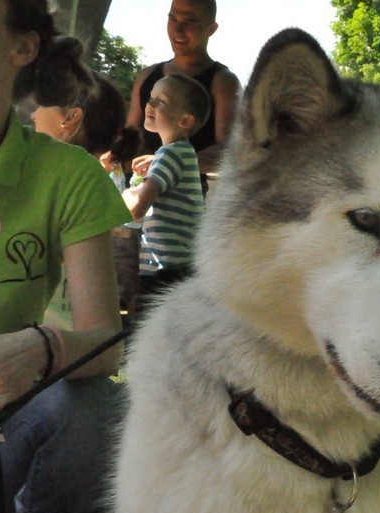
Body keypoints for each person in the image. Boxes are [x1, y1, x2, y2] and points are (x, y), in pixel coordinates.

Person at [0, 3, 129, 513]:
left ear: (22, 48)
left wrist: (41, 346)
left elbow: (106, 345)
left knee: (93, 409)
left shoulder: (65, 173)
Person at [23, 48, 141, 327]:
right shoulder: (95, 180)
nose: (32, 116)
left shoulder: (60, 181)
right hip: (72, 342)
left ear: (70, 118)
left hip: (50, 344)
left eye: (41, 106)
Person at [125, 0, 241, 183]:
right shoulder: (147, 76)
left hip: (186, 201)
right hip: (137, 190)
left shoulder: (222, 82)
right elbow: (129, 136)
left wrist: (168, 163)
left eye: (189, 22)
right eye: (172, 19)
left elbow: (230, 151)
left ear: (211, 29)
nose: (177, 30)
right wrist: (115, 156)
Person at [123, 73, 210, 315]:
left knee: (138, 333)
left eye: (160, 101)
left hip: (163, 269)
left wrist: (124, 193)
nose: (149, 105)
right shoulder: (183, 153)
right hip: (181, 267)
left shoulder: (169, 155)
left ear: (184, 120)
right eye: (150, 99)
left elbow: (136, 208)